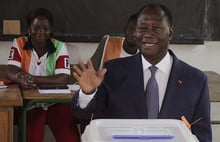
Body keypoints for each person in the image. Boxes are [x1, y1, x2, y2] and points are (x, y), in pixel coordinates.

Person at [71, 3, 212, 142]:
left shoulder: (196, 80)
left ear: (170, 33)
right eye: (142, 28)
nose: (148, 34)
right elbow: (85, 116)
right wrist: (87, 94)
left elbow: (203, 136)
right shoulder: (113, 71)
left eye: (156, 29)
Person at [7, 8, 80, 142]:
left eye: (45, 28)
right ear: (29, 28)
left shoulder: (59, 46)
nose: (40, 31)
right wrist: (20, 79)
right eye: (36, 27)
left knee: (70, 139)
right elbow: (11, 69)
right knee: (31, 138)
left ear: (50, 29)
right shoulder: (19, 43)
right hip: (30, 104)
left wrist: (33, 79)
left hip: (56, 102)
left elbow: (63, 78)